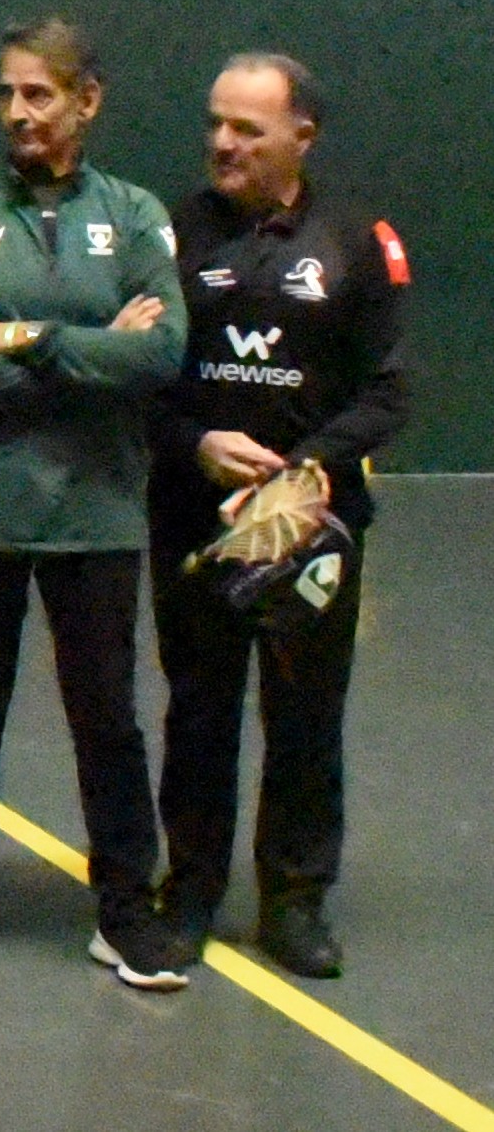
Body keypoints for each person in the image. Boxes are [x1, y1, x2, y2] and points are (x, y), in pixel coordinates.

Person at [0, 19, 193, 990]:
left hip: (98, 512)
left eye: (39, 95)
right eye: (6, 95)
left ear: (86, 102)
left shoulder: (139, 214)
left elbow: (160, 353)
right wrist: (84, 345)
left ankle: (125, 913)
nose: (18, 113)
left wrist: (21, 339)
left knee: (107, 715)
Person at [149, 54, 408, 978]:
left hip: (313, 531)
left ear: (301, 135)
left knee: (305, 714)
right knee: (199, 712)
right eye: (216, 123)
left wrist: (298, 477)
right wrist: (195, 446)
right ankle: (186, 895)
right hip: (192, 522)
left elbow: (385, 397)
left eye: (246, 129)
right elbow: (136, 385)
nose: (222, 143)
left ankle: (294, 903)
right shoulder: (168, 234)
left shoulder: (354, 242)